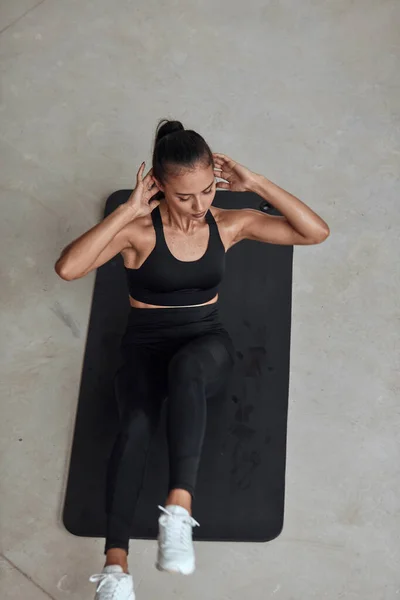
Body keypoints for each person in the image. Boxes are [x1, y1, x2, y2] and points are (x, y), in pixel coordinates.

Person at [55, 119, 330, 600]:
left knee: (187, 369)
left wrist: (256, 183)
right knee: (135, 425)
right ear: (158, 186)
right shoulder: (138, 232)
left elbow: (315, 233)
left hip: (205, 340)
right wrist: (125, 211)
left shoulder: (228, 222)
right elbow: (68, 268)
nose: (201, 204)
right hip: (143, 344)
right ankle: (116, 568)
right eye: (186, 196)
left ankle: (177, 511)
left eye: (209, 190)